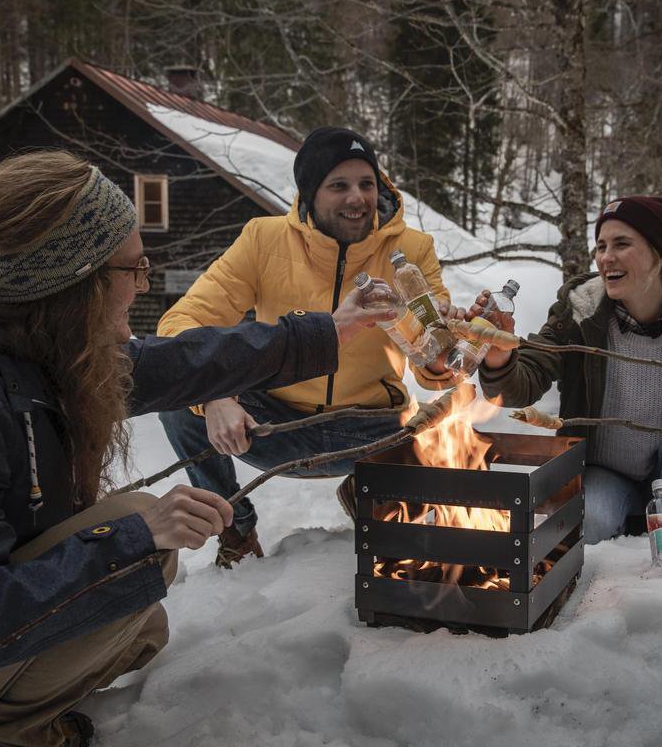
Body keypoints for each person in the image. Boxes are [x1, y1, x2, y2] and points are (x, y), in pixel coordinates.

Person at [0, 151, 387, 746]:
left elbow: (180, 361)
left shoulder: (34, 350)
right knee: (130, 543)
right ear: (74, 287)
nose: (141, 285)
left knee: (139, 628)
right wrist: (136, 536)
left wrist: (324, 332)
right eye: (133, 269)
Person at [157, 126, 460, 568]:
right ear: (309, 192)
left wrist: (443, 349)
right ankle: (235, 529)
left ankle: (369, 494)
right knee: (181, 406)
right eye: (339, 185)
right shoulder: (263, 239)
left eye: (367, 184)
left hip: (370, 430)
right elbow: (178, 324)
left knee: (442, 433)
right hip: (272, 423)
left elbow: (434, 372)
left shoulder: (412, 250)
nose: (357, 198)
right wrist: (215, 396)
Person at [477, 196, 662, 545]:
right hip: (604, 472)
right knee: (592, 525)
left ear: (659, 254)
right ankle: (627, 534)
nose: (605, 257)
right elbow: (524, 382)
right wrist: (499, 354)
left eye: (621, 244)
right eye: (600, 246)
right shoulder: (580, 311)